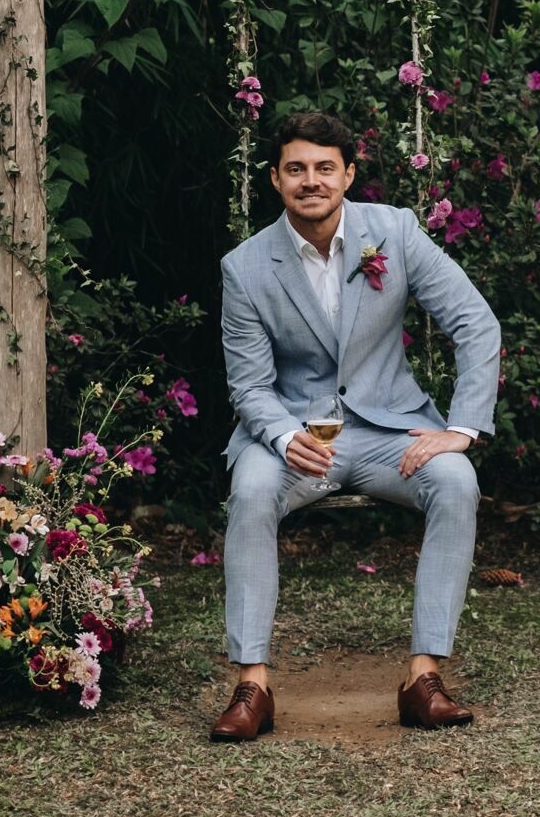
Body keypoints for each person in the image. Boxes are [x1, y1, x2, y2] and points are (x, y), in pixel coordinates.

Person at [211, 110, 501, 742]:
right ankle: (252, 684)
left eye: (324, 168)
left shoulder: (393, 231)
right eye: (296, 169)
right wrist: (285, 438)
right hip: (291, 433)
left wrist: (464, 428)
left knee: (454, 481)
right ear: (276, 179)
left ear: (347, 174)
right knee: (254, 491)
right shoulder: (246, 267)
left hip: (387, 430)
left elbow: (476, 324)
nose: (310, 181)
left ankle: (422, 679)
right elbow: (250, 387)